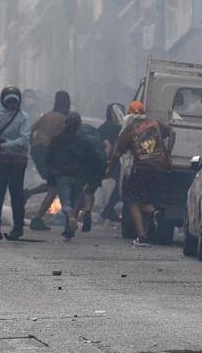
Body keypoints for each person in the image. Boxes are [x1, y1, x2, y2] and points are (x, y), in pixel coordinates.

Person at [106, 101, 174, 247]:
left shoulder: (130, 129)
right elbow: (172, 132)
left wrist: (110, 168)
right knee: (146, 201)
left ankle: (142, 237)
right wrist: (168, 153)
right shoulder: (155, 123)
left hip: (141, 168)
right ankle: (155, 213)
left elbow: (118, 152)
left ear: (130, 115)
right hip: (158, 169)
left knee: (133, 201)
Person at [45, 113, 103, 240]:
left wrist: (52, 171)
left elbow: (48, 157)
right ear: (78, 126)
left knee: (66, 203)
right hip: (78, 177)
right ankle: (69, 230)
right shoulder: (84, 143)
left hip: (61, 176)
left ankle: (70, 220)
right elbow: (94, 159)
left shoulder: (56, 140)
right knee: (74, 200)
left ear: (66, 124)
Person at [0, 86, 31, 242]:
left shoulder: (24, 117)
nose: (12, 103)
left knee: (16, 196)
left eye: (14, 100)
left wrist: (4, 146)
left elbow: (24, 139)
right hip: (2, 161)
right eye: (9, 100)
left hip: (17, 161)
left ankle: (17, 229)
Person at [27, 90, 72, 231]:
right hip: (48, 152)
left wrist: (33, 144)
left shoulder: (46, 115)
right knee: (55, 186)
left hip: (36, 150)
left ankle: (28, 194)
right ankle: (37, 218)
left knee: (53, 183)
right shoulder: (63, 119)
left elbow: (29, 130)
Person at [97, 103, 126, 222]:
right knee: (121, 186)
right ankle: (108, 210)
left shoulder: (102, 128)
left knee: (91, 185)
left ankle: (108, 210)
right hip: (114, 161)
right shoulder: (120, 129)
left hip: (104, 161)